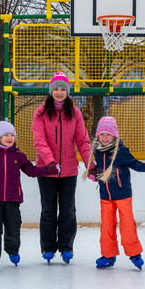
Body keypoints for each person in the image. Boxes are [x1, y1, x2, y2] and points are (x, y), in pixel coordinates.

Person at [0, 121, 59, 272]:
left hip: (13, 198)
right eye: (6, 135)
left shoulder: (19, 155)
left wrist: (49, 170)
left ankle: (12, 250)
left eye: (12, 135)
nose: (10, 138)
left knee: (13, 227)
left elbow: (31, 171)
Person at [32, 72, 92, 265]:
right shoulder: (40, 113)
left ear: (68, 91)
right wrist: (49, 161)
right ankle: (48, 248)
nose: (59, 92)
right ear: (50, 91)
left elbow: (82, 141)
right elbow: (39, 141)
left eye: (63, 89)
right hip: (46, 169)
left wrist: (91, 166)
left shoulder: (75, 113)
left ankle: (66, 247)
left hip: (68, 169)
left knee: (67, 210)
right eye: (56, 89)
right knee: (48, 209)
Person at [83, 116, 145, 271]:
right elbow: (101, 168)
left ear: (114, 135)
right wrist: (94, 173)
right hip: (105, 196)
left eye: (108, 134)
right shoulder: (96, 149)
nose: (104, 137)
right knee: (107, 226)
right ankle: (108, 255)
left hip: (123, 195)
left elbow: (135, 164)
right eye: (101, 134)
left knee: (127, 224)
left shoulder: (121, 151)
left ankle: (134, 253)